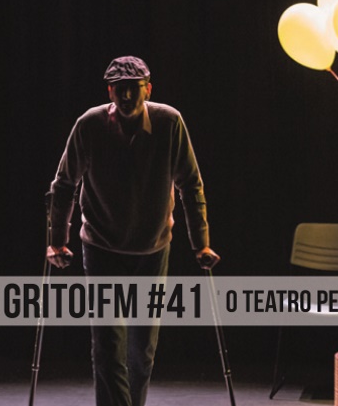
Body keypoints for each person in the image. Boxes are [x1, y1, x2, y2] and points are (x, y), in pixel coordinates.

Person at [46, 56, 220, 406]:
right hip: (102, 247)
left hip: (151, 250)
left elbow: (191, 185)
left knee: (142, 351)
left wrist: (201, 243)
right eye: (119, 88)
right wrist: (57, 241)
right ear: (110, 91)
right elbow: (64, 185)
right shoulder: (90, 124)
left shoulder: (169, 122)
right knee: (107, 348)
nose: (127, 96)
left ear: (148, 89)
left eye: (134, 88)